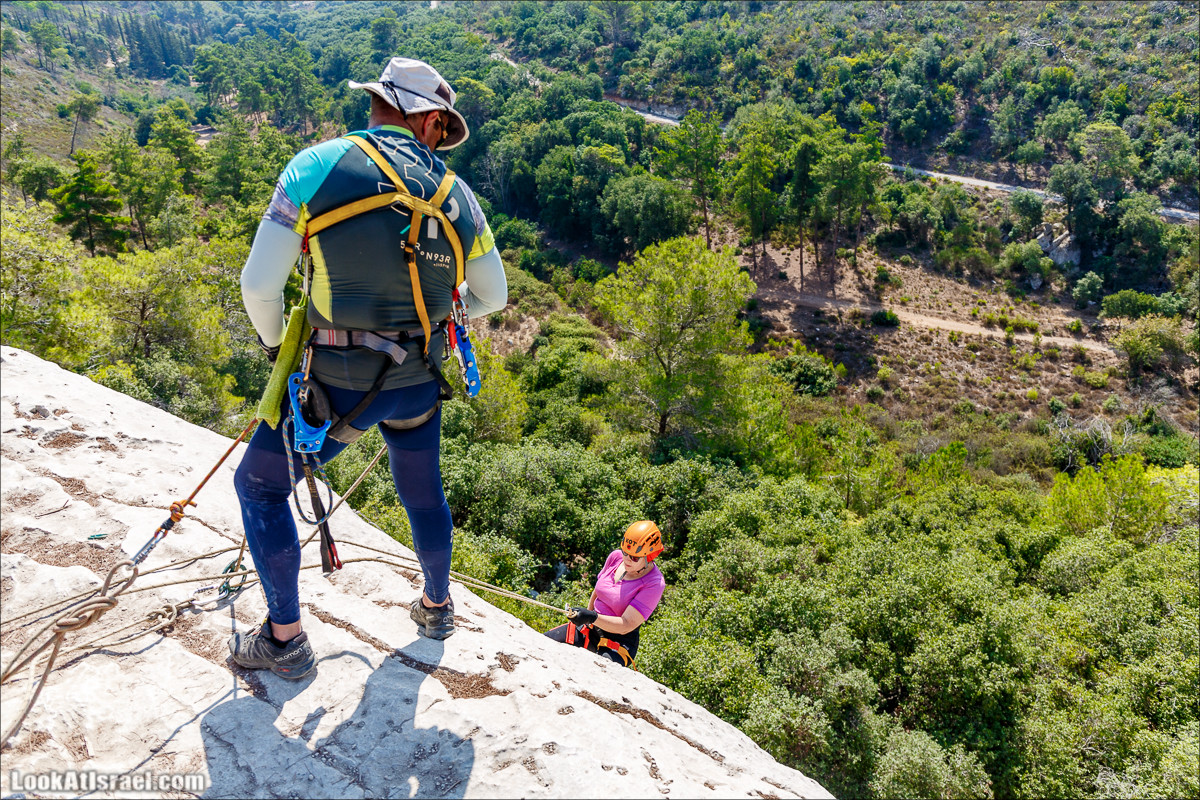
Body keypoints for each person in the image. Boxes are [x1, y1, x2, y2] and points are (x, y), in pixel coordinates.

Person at [229, 56, 507, 679]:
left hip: (337, 383)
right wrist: (443, 304)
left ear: (380, 102)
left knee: (260, 486)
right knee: (422, 492)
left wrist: (279, 347)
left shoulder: (314, 167)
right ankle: (436, 607)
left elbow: (258, 287)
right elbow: (495, 297)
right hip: (419, 381)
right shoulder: (459, 197)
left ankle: (284, 641)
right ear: (431, 120)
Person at [545, 520, 667, 668]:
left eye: (634, 557)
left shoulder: (654, 583)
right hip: (592, 627)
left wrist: (592, 617)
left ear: (649, 557)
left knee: (596, 671)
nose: (627, 559)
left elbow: (626, 624)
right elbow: (597, 591)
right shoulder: (615, 557)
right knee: (545, 642)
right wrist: (587, 616)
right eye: (625, 553)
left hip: (618, 641)